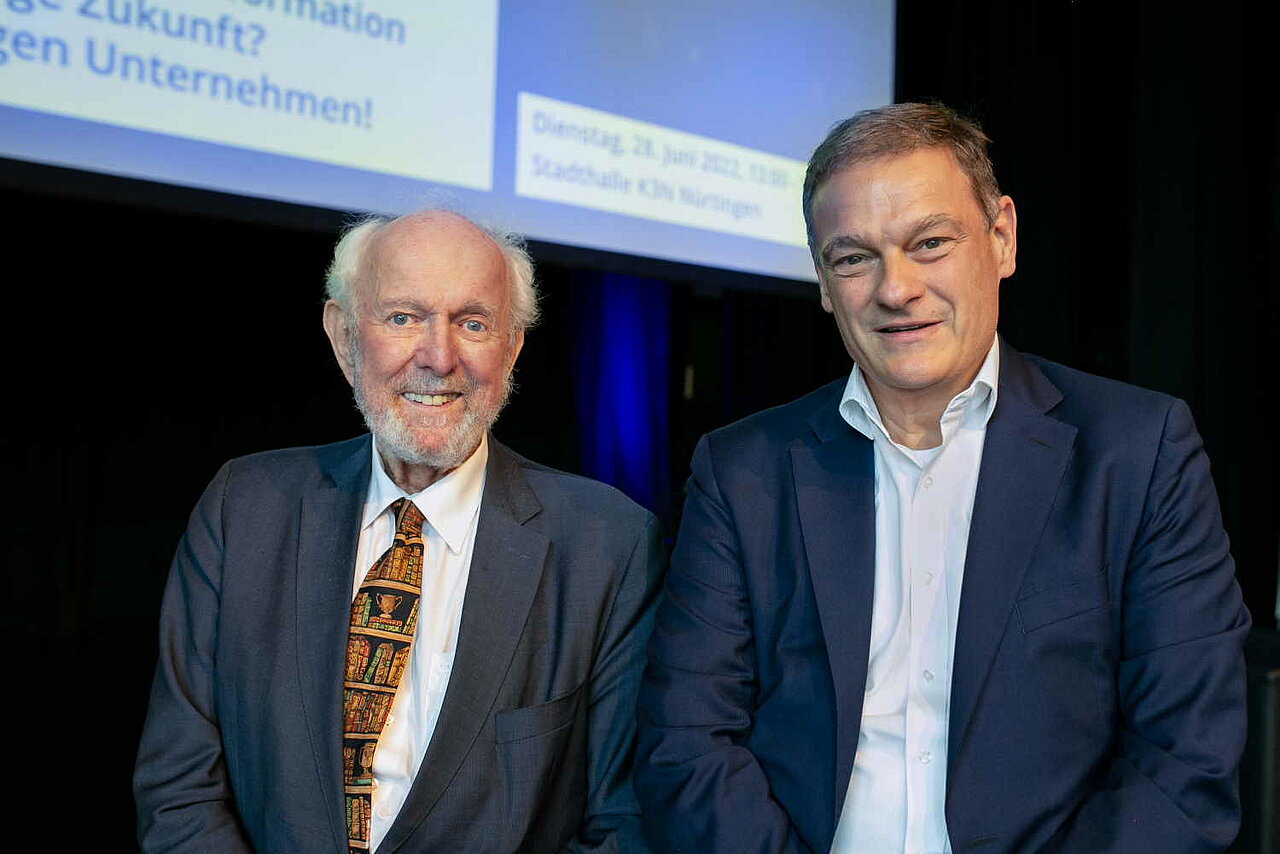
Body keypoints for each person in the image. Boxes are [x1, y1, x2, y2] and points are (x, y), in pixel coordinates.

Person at [634, 103, 1250, 853]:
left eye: (929, 243)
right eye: (854, 257)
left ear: (1002, 239)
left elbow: (1184, 763)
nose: (896, 289)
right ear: (825, 283)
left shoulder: (1137, 453)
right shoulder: (741, 471)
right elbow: (686, 746)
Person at [135, 210, 662, 852]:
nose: (439, 359)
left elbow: (621, 823)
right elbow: (181, 789)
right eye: (403, 318)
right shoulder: (242, 509)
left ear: (513, 346)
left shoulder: (609, 544)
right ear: (344, 337)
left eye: (473, 323)